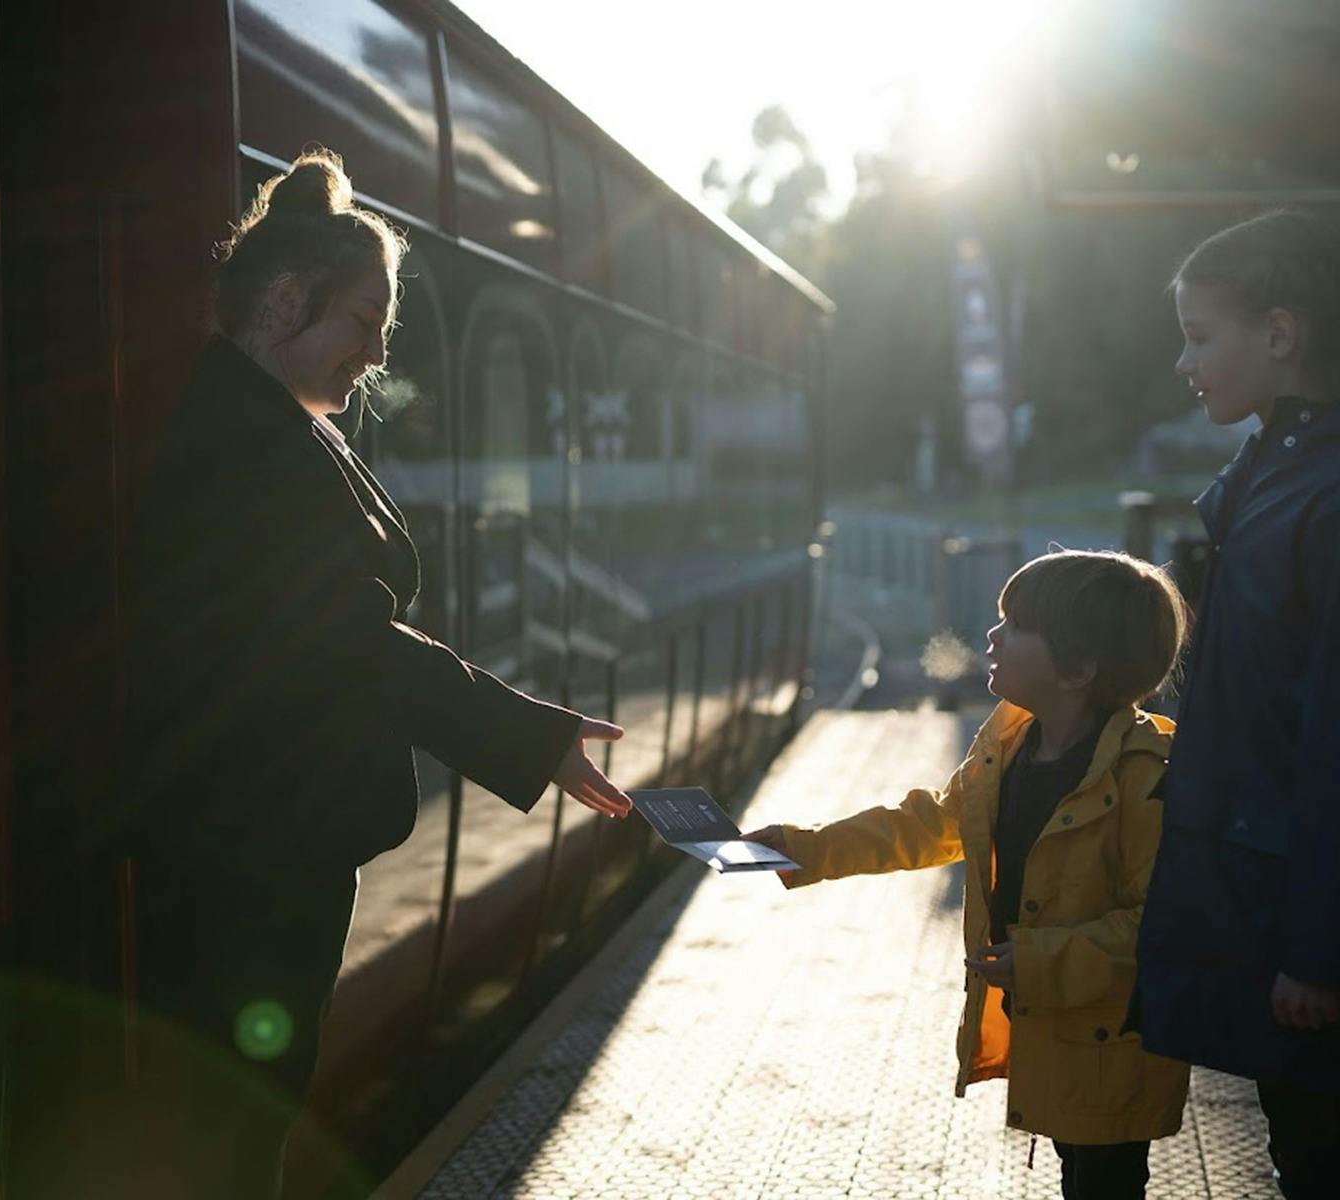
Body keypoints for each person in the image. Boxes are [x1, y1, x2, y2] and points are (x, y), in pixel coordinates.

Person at [121, 147, 632, 1196]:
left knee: (241, 1128)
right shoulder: (242, 443)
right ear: (284, 300)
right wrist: (527, 734)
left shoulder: (274, 424)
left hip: (269, 855)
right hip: (250, 870)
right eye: (364, 320)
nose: (376, 352)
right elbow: (340, 635)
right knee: (230, 1134)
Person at [743, 550, 1192, 1200]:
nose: (993, 634)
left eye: (1016, 625)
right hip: (1048, 1023)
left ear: (1077, 670)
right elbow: (928, 825)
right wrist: (805, 849)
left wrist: (1037, 960)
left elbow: (1159, 926)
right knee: (1081, 1174)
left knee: (1104, 1180)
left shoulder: (1147, 777)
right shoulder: (1008, 748)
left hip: (1111, 1043)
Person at [1133, 210, 1340, 1199]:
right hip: (1269, 905)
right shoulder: (1273, 470)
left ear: (1279, 334)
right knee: (1296, 1153)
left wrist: (1317, 951)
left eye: (1198, 335)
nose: (1184, 362)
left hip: (1302, 932)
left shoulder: (1320, 496)